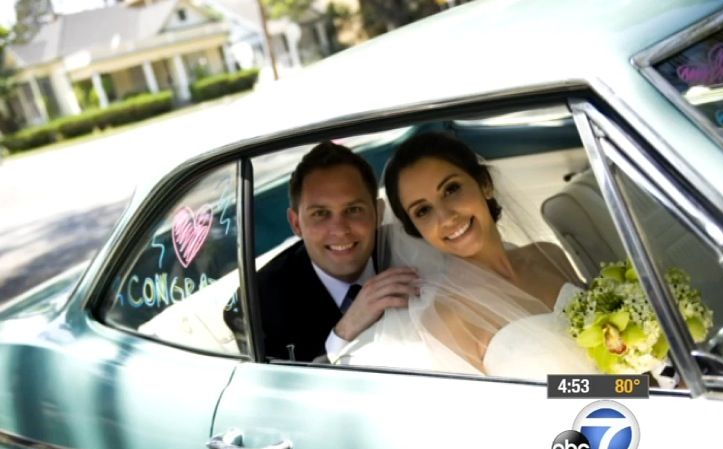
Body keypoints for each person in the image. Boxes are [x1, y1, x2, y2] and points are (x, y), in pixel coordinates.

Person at [335, 132, 598, 377]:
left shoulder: (549, 255)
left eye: (451, 189)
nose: (447, 217)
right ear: (416, 229)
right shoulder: (447, 317)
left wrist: (634, 387)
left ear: (484, 184)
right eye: (423, 211)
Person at [230, 141, 419, 362]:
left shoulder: (414, 253)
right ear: (296, 224)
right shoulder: (257, 304)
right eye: (321, 213)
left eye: (353, 210)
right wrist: (344, 332)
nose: (340, 230)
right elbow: (281, 392)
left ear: (377, 213)